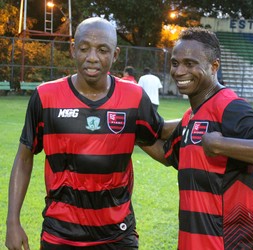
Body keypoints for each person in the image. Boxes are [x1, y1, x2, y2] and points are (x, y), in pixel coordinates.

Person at [5, 17, 178, 250]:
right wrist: (12, 222)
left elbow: (159, 136)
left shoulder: (133, 97)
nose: (92, 57)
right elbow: (24, 158)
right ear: (73, 49)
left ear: (115, 55)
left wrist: (203, 119)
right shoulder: (45, 97)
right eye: (84, 48)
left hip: (117, 234)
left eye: (102, 50)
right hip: (61, 233)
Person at [141, 27, 253, 250]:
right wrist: (134, 133)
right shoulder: (191, 116)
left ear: (214, 66)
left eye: (190, 63)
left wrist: (220, 144)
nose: (179, 71)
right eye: (175, 63)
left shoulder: (230, 107)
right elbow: (167, 154)